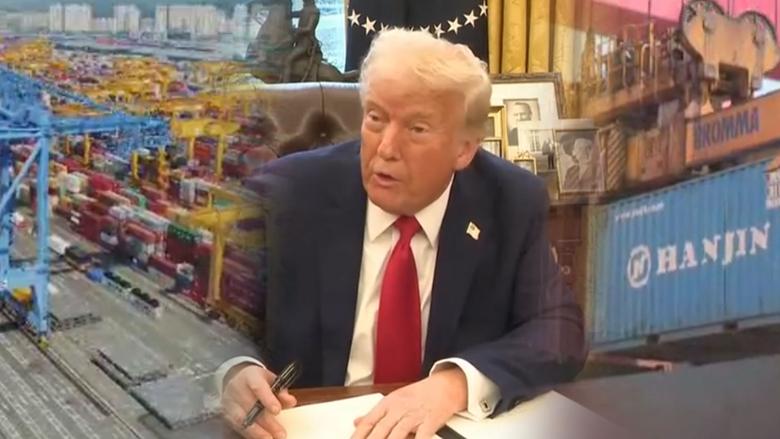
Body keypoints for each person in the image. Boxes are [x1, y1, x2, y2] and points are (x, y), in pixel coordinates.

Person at [219, 28, 586, 439]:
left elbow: (559, 329)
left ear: (464, 148)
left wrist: (454, 384)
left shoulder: (510, 201)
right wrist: (231, 371)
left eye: (417, 129)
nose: (386, 148)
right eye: (376, 118)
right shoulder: (285, 197)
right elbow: (207, 316)